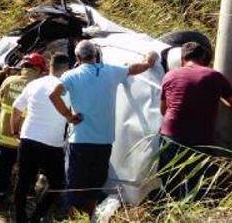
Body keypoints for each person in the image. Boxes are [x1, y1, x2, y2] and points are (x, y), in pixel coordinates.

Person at [49, 40, 157, 218]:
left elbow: (53, 94)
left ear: (77, 57)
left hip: (81, 141)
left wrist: (68, 116)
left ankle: (74, 219)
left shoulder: (71, 75)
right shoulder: (111, 71)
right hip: (104, 142)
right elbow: (134, 69)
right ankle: (89, 218)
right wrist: (149, 60)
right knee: (94, 186)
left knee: (76, 186)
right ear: (95, 55)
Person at [158, 41, 232, 199]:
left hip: (171, 135)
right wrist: (218, 97)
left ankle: (169, 208)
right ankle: (192, 209)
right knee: (197, 180)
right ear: (203, 57)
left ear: (182, 58)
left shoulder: (170, 75)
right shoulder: (214, 76)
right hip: (200, 138)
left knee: (169, 179)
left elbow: (164, 110)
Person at [11, 53, 71, 223]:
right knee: (57, 183)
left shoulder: (34, 84)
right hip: (52, 143)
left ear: (50, 66)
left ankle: (20, 218)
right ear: (67, 69)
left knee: (23, 181)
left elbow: (16, 110)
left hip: (28, 138)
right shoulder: (68, 87)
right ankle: (37, 216)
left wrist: (16, 132)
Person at [0, 52, 46, 199]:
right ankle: (24, 195)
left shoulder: (8, 81)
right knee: (27, 169)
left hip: (5, 135)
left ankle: (0, 192)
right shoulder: (38, 86)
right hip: (26, 137)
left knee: (4, 166)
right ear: (38, 69)